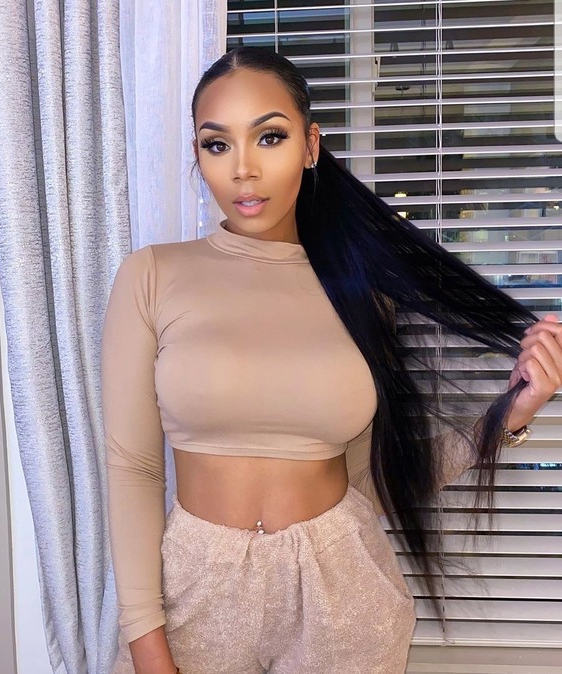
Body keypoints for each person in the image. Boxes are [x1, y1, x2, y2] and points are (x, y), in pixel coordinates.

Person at [101, 47, 562, 674]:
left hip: (341, 590)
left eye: (270, 137)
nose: (243, 169)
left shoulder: (362, 295)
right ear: (198, 155)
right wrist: (146, 644)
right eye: (217, 144)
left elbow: (374, 481)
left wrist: (511, 414)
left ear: (311, 145)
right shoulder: (152, 275)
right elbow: (132, 468)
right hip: (195, 586)